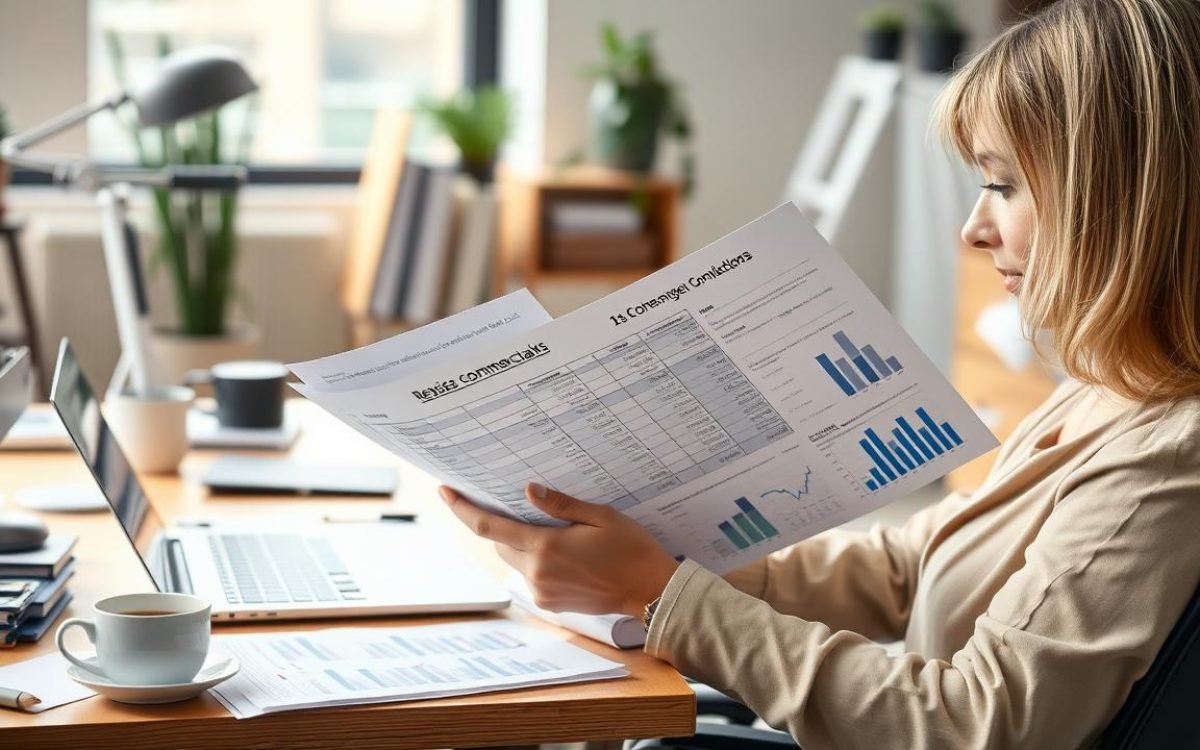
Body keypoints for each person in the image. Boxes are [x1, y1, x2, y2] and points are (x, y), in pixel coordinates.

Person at [439, 0, 1200, 746]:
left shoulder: (1169, 455)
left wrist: (662, 596)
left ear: (1123, 199)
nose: (974, 227)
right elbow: (907, 567)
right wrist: (661, 568)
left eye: (1002, 184)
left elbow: (974, 725)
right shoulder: (1113, 389)